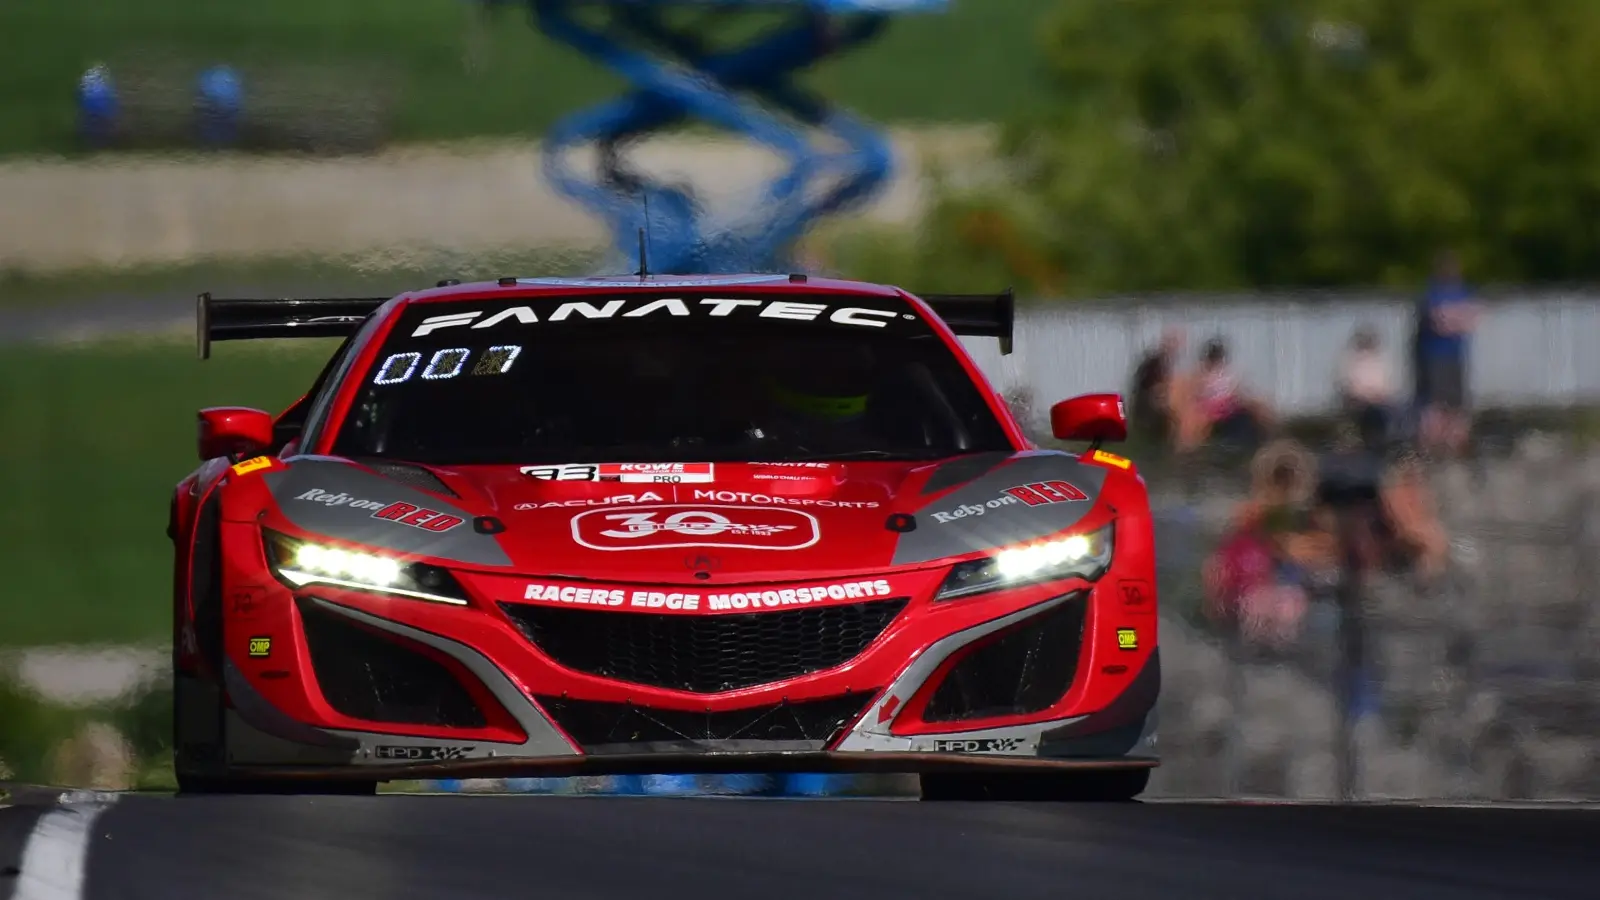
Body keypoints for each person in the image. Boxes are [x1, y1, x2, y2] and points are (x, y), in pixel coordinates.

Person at [1202, 440, 1339, 650]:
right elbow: (1226, 550)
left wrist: (1294, 545)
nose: (1281, 491)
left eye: (1286, 481)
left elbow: (1323, 551)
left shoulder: (1312, 517)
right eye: (1279, 481)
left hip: (1292, 589)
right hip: (1253, 590)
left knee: (1289, 606)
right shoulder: (1251, 514)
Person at [1413, 251, 1480, 457]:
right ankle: (1430, 449)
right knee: (1434, 405)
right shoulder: (1432, 293)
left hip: (1456, 356)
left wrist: (1454, 318)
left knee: (1457, 405)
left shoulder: (1462, 291)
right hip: (1434, 357)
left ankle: (1456, 448)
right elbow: (1439, 323)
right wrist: (1456, 319)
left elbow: (1474, 318)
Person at [1172, 337, 1272, 453]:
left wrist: (1240, 397)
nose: (1216, 362)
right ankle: (1230, 444)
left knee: (1252, 411)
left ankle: (1252, 442)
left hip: (1228, 406)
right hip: (1210, 408)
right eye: (1213, 358)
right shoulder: (1200, 374)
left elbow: (1237, 390)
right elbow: (1196, 394)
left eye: (1218, 358)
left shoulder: (1226, 373)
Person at [1337, 325, 1396, 451]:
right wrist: (1364, 396)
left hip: (1378, 403)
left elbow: (1387, 385)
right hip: (1358, 403)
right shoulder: (1351, 360)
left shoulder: (1381, 360)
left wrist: (1377, 395)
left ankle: (1380, 444)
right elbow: (1348, 385)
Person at [1129, 326, 1185, 447]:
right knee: (1174, 422)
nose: (1178, 348)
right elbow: (1156, 392)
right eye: (1174, 344)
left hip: (1143, 408)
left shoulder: (1158, 360)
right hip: (1147, 411)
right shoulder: (1158, 363)